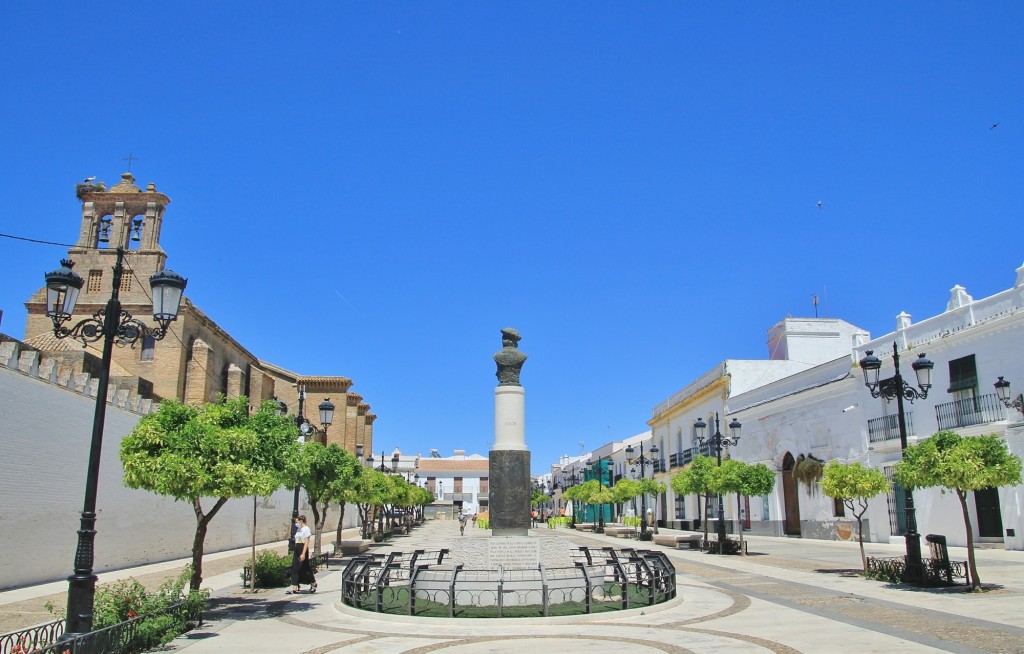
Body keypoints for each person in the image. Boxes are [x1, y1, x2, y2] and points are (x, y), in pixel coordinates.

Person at [288, 515, 317, 594]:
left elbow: (306, 541)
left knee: (304, 568)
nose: (296, 523)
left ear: (301, 521)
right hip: (297, 547)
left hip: (302, 548)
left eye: (297, 521)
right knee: (295, 567)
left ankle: (313, 583)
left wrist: (303, 553)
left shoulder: (306, 529)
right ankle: (295, 586)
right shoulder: (299, 529)